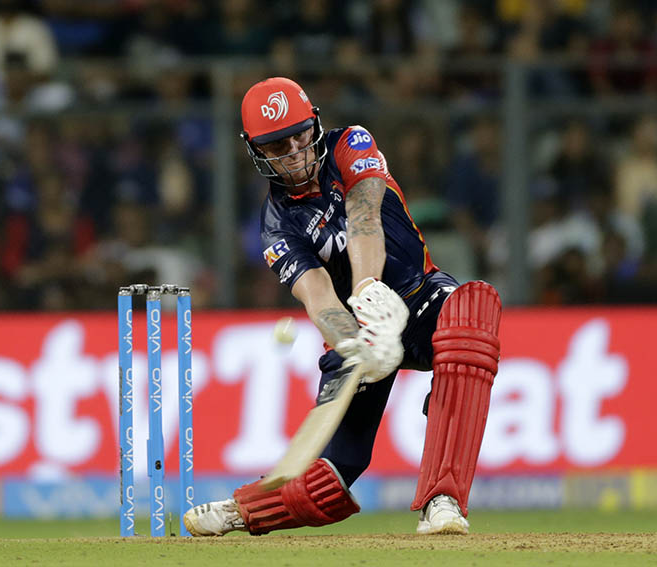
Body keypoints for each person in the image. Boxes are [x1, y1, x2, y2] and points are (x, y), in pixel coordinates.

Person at [183, 77, 501, 536]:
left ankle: (443, 502)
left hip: (417, 296)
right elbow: (317, 297)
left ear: (314, 124)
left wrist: (370, 291)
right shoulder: (276, 227)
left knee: (470, 313)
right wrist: (354, 340)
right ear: (257, 152)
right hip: (361, 332)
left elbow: (365, 214)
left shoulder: (351, 143)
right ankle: (241, 509)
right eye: (277, 145)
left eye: (299, 135)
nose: (293, 151)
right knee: (329, 476)